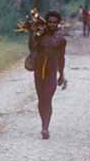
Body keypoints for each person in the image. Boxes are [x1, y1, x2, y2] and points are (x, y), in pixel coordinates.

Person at [28, 11, 67, 140]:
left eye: (55, 22)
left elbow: (61, 57)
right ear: (46, 22)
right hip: (39, 71)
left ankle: (45, 127)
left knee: (47, 98)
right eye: (50, 22)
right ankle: (43, 123)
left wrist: (61, 74)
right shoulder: (40, 35)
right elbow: (32, 48)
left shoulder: (61, 39)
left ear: (58, 24)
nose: (52, 24)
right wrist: (31, 33)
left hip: (51, 72)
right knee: (41, 99)